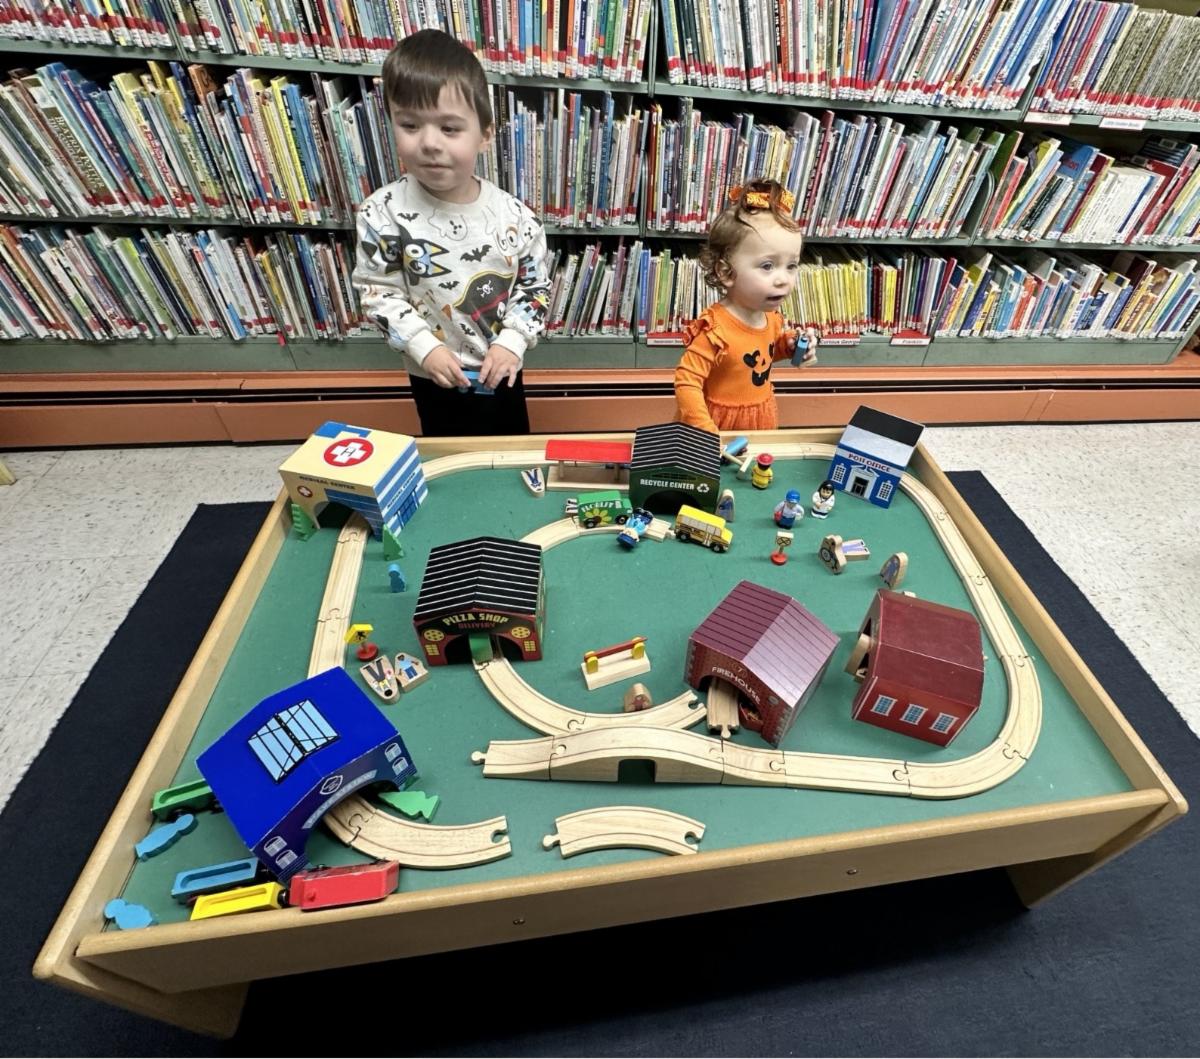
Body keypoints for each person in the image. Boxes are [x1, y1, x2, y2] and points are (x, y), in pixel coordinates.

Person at [352, 29, 550, 436]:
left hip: (501, 366)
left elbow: (534, 288)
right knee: (443, 450)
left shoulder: (516, 217)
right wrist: (425, 348)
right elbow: (378, 291)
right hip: (431, 372)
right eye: (410, 124)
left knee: (512, 450)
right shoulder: (381, 213)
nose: (429, 143)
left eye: (449, 128)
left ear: (485, 135)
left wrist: (512, 341)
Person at [674, 179, 819, 434]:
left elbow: (761, 353)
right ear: (726, 272)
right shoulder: (715, 331)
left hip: (760, 417)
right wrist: (705, 429)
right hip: (717, 425)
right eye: (767, 266)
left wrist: (789, 346)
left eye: (791, 266)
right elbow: (687, 381)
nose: (783, 279)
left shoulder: (771, 318)